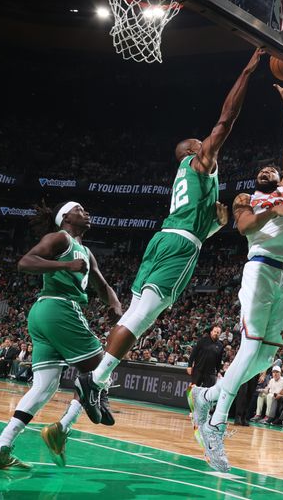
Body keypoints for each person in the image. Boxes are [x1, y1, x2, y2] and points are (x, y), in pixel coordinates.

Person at [85, 50, 263, 409]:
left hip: (162, 240)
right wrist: (247, 70)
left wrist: (213, 225)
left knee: (139, 318)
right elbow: (226, 119)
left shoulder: (187, 178)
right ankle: (95, 379)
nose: (208, 142)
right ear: (195, 149)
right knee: (139, 318)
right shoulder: (200, 161)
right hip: (179, 246)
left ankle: (74, 412)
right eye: (203, 142)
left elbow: (199, 220)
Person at [187, 71, 283, 472]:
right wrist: (273, 208)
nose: (267, 171)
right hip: (261, 271)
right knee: (250, 348)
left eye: (272, 170)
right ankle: (215, 425)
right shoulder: (248, 199)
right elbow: (243, 227)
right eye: (262, 172)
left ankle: (205, 397)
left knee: (265, 357)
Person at [0, 201, 122, 470]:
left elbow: (102, 285)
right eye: (80, 209)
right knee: (103, 367)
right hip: (60, 307)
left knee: (44, 386)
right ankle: (64, 426)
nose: (87, 212)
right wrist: (66, 266)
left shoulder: (87, 252)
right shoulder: (60, 238)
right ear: (65, 217)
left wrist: (114, 304)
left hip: (43, 314)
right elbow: (25, 262)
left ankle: (0, 447)